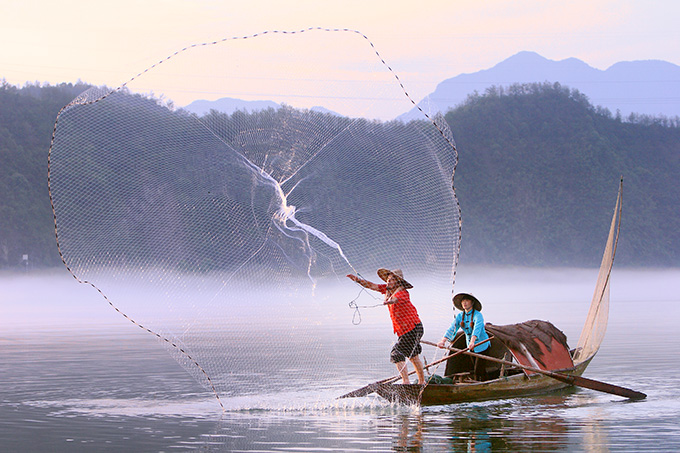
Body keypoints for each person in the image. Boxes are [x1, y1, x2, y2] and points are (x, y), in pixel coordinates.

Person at [347, 268, 425, 385]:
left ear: (398, 282)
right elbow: (372, 286)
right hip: (406, 330)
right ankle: (421, 382)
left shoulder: (402, 292)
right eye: (388, 280)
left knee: (396, 353)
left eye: (392, 280)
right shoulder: (387, 290)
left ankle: (406, 382)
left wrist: (389, 301)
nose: (389, 282)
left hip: (413, 327)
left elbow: (395, 299)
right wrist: (357, 280)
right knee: (413, 355)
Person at [437, 293, 491, 381]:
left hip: (482, 345)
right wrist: (443, 341)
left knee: (479, 369)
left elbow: (477, 329)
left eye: (467, 301)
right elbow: (452, 328)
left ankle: (483, 385)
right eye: (463, 301)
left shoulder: (478, 315)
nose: (464, 303)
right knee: (474, 368)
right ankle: (479, 382)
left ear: (472, 302)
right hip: (470, 346)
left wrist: (473, 341)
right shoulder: (460, 316)